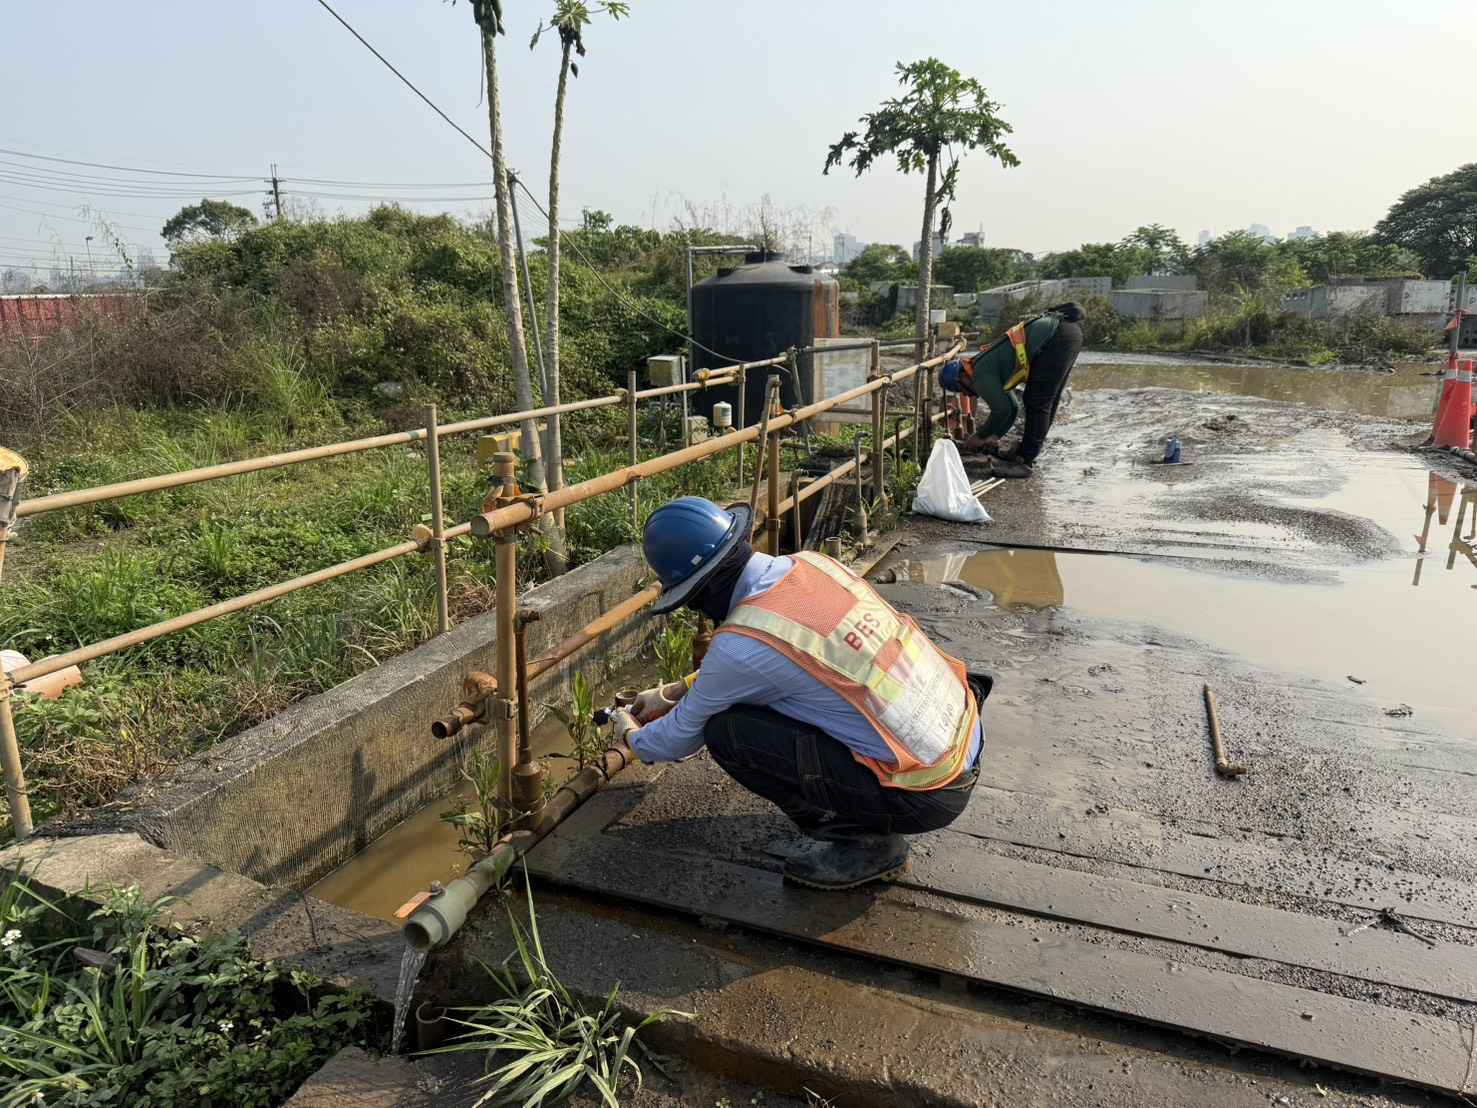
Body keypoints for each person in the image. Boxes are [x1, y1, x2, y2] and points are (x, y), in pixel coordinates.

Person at [606, 496, 991, 890]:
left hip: (926, 793)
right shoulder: (812, 564)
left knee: (727, 732)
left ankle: (863, 844)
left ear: (701, 591)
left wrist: (629, 732)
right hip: (960, 735)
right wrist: (673, 691)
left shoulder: (739, 648)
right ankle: (860, 811)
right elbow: (784, 664)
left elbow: (674, 741)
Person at [937, 302, 1085, 478]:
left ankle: (1024, 461)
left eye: (962, 390)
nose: (968, 395)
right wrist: (994, 436)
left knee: (1037, 401)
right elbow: (1012, 408)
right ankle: (1025, 455)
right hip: (1067, 333)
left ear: (961, 377)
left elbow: (1002, 410)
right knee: (1045, 400)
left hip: (1056, 337)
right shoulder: (986, 368)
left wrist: (978, 436)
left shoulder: (980, 374)